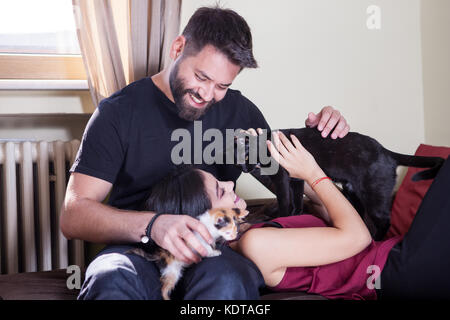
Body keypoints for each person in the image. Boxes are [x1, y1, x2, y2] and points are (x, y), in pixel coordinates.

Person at [61, 6, 350, 300]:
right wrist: (153, 225)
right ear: (178, 48)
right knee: (110, 280)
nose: (208, 95)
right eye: (201, 77)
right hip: (136, 249)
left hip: (217, 251)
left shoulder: (239, 114)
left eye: (222, 85)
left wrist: (323, 145)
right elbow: (73, 216)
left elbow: (302, 190)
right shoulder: (119, 113)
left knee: (225, 283)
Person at [131, 132, 450, 300]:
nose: (230, 183)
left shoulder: (257, 230)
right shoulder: (258, 245)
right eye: (219, 189)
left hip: (399, 259)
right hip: (400, 272)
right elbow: (357, 236)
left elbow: (335, 218)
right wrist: (311, 173)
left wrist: (300, 170)